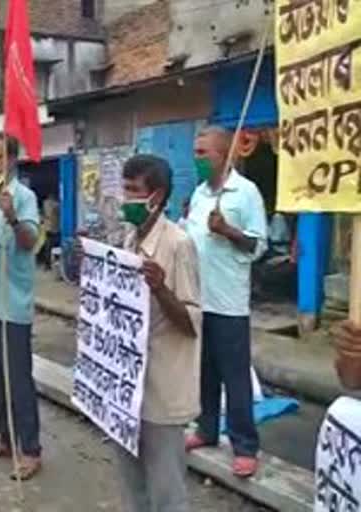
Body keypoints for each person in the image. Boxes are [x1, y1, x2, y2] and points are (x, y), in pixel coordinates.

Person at [112, 155, 201, 512]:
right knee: (131, 485)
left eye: (133, 190)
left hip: (162, 390)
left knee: (166, 491)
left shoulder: (179, 244)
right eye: (124, 188)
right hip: (126, 388)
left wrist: (162, 289)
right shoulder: (128, 239)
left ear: (157, 196)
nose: (125, 197)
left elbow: (193, 323)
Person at [184, 125, 267, 478]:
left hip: (229, 302)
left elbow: (259, 245)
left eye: (203, 153)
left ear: (224, 155)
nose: (197, 159)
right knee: (204, 372)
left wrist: (228, 231)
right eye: (195, 152)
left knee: (235, 377)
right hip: (197, 299)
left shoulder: (246, 193)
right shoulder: (199, 194)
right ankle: (206, 429)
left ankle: (245, 445)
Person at [0, 136, 42, 481]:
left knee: (18, 381)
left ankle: (30, 450)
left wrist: (13, 218)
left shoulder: (24, 197)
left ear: (13, 159)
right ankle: (5, 437)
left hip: (12, 308)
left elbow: (31, 243)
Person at [42, 193, 60, 270]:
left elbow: (44, 214)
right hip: (55, 228)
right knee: (56, 246)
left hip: (47, 228)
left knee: (48, 246)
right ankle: (57, 263)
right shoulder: (56, 204)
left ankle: (47, 265)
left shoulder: (45, 203)